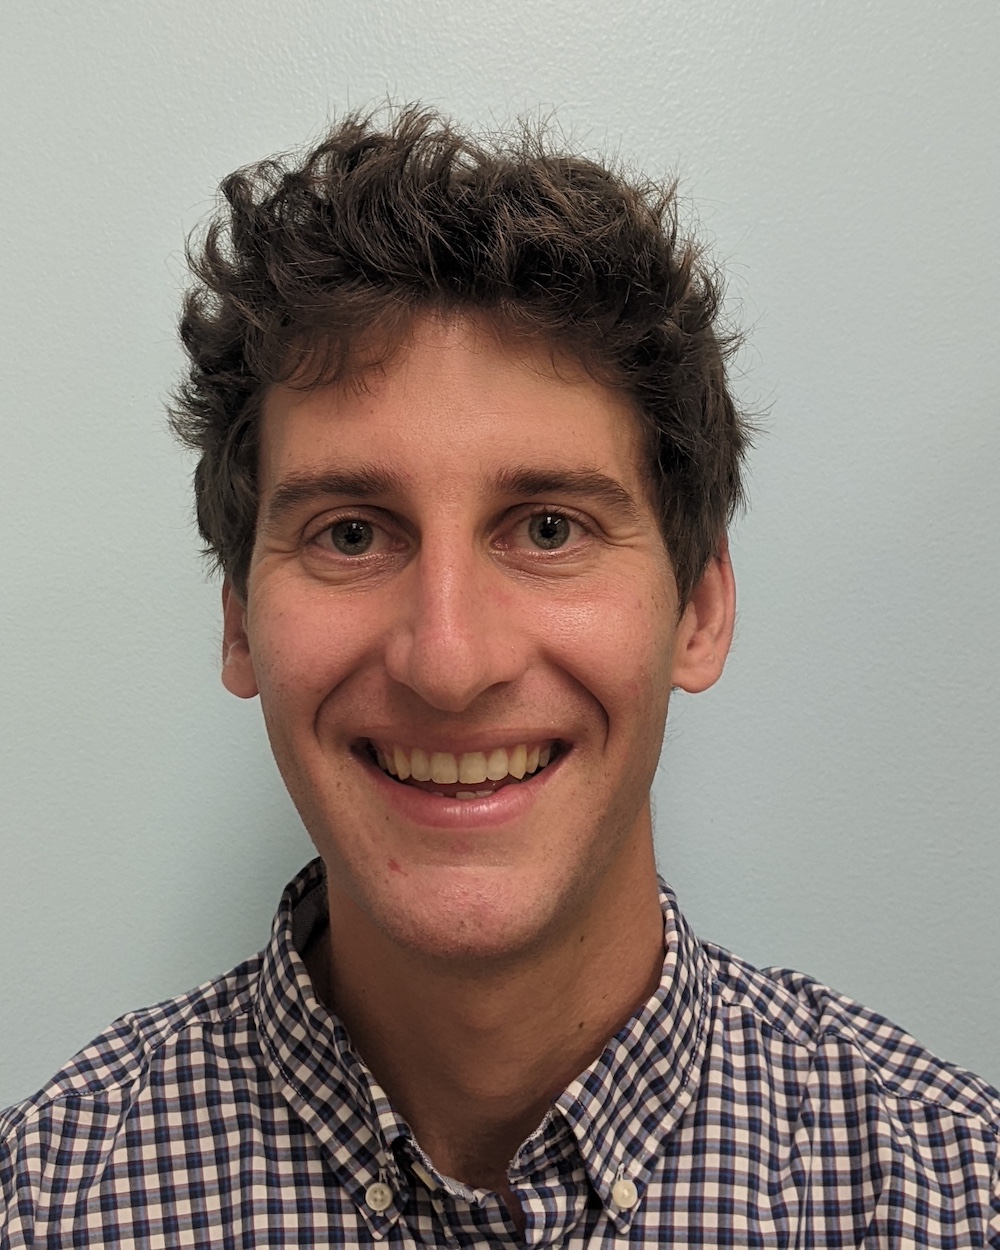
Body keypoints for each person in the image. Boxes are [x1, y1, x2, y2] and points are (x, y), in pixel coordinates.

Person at [2, 106, 998, 1249]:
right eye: (351, 535)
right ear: (238, 620)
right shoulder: (45, 1203)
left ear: (701, 606)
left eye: (548, 526)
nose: (449, 661)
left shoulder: (952, 1195)